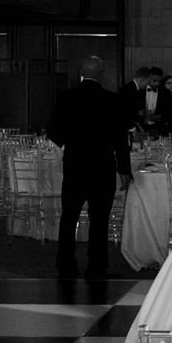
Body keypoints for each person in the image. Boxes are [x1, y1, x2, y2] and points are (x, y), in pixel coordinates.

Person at [47, 54, 133, 282]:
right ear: (101, 74)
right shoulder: (112, 100)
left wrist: (69, 142)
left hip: (75, 164)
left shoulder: (67, 97)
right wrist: (124, 169)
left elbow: (52, 131)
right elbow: (120, 140)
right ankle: (96, 266)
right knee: (99, 220)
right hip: (102, 166)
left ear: (80, 73)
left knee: (69, 217)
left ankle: (65, 264)